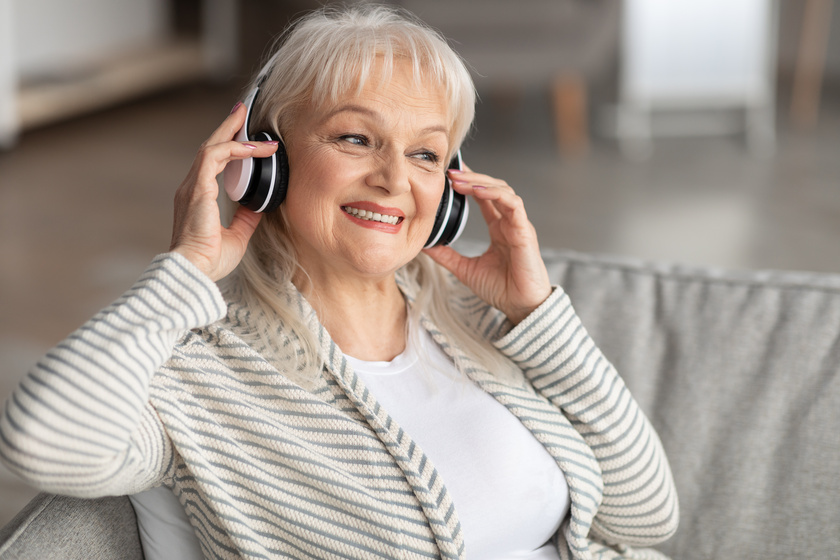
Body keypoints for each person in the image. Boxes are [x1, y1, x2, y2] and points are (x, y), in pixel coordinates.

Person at [0, 5, 678, 560]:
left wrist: (538, 315)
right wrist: (188, 269)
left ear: (448, 194)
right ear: (262, 163)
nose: (394, 177)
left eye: (424, 153)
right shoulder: (195, 375)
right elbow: (43, 443)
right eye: (355, 138)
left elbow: (648, 519)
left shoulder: (481, 325)